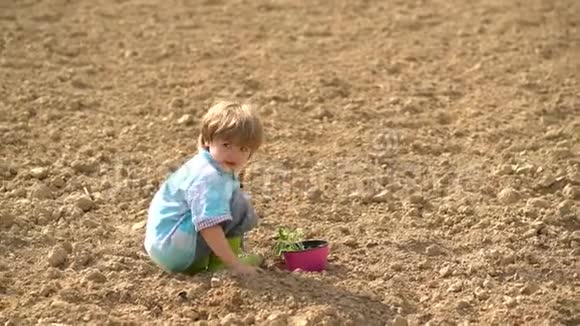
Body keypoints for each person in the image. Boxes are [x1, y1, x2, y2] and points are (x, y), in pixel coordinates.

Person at [144, 101, 264, 276]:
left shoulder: (205, 162)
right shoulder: (210, 178)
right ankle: (225, 262)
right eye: (227, 145)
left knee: (229, 196)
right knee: (237, 203)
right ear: (209, 140)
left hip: (162, 246)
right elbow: (208, 225)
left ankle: (212, 260)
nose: (234, 154)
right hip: (177, 253)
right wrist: (235, 265)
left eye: (243, 148)